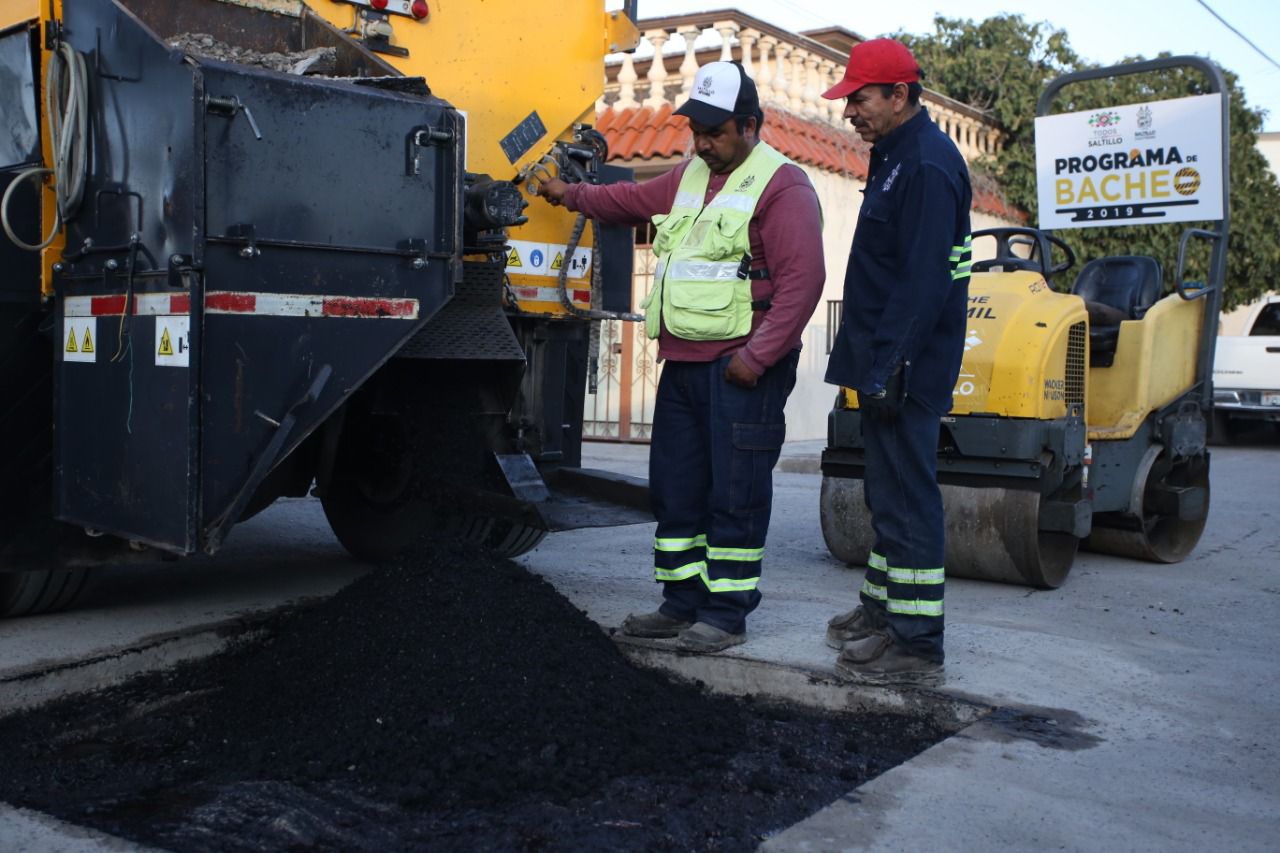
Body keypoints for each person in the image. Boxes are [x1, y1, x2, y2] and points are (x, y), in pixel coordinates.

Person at [536, 61, 824, 653]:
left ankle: (725, 615)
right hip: (685, 363)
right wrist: (570, 195)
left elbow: (803, 284)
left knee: (734, 494)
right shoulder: (692, 174)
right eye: (696, 130)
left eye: (714, 132)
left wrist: (757, 358)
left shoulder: (783, 185)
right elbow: (630, 200)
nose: (702, 143)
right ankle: (680, 604)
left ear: (749, 126)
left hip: (741, 370)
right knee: (676, 489)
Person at [821, 39, 972, 686]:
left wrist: (890, 365)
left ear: (900, 95)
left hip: (907, 364)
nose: (849, 111)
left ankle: (916, 643)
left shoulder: (928, 166)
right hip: (886, 358)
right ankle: (883, 610)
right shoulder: (896, 156)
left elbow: (922, 282)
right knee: (887, 493)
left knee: (908, 497)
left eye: (860, 98)